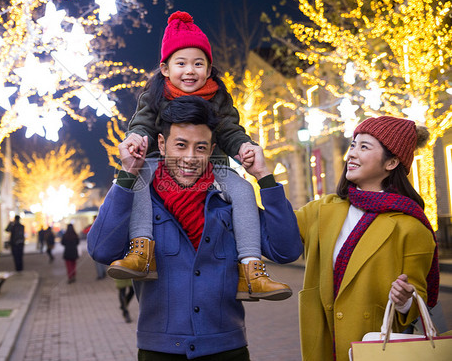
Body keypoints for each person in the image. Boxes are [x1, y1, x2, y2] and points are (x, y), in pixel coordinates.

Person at [87, 96, 302, 359]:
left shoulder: (229, 201)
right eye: (181, 145)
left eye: (200, 148)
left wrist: (264, 178)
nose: (190, 157)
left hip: (228, 350)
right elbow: (100, 249)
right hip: (159, 351)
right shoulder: (142, 200)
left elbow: (287, 250)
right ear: (162, 145)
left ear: (211, 150)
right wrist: (127, 175)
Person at [108, 10, 291, 301]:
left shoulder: (218, 95)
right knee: (139, 178)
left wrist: (243, 146)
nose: (190, 71)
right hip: (160, 161)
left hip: (213, 163)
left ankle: (251, 270)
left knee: (243, 191)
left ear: (208, 68)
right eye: (181, 63)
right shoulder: (154, 94)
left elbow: (230, 128)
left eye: (198, 63)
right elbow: (142, 123)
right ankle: (141, 250)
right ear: (166, 68)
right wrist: (135, 139)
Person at [294, 116, 439, 361]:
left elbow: (418, 301)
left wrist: (404, 300)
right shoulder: (323, 209)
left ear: (392, 162)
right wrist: (263, 176)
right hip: (323, 346)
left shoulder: (411, 227)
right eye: (353, 145)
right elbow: (277, 231)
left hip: (374, 349)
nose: (351, 154)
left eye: (364, 147)